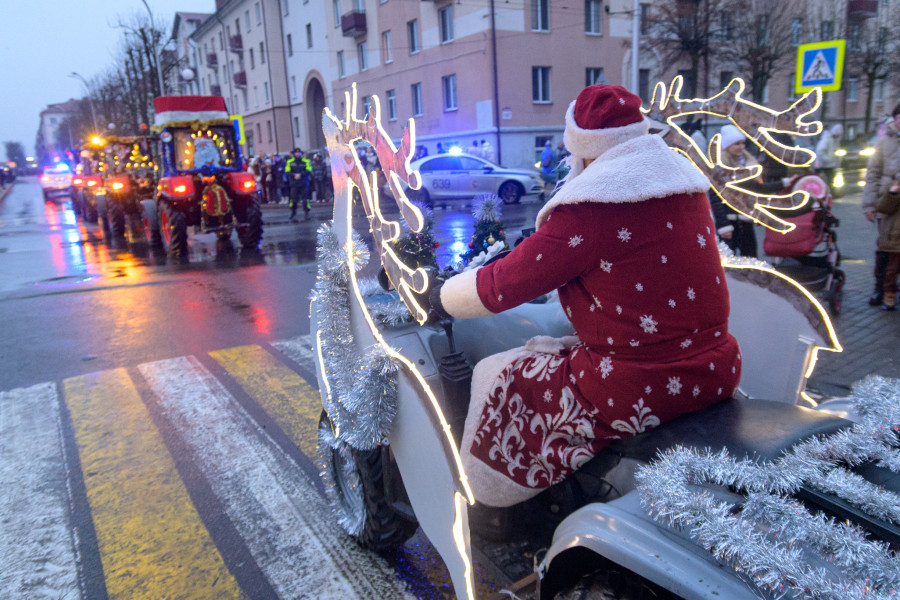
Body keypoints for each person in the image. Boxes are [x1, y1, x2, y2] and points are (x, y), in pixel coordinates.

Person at [429, 84, 741, 507]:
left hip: (638, 385)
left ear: (582, 148)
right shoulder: (685, 187)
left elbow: (500, 287)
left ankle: (492, 500)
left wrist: (441, 296)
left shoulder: (590, 207)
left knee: (497, 373)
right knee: (558, 355)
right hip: (717, 367)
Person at [709, 125, 785, 258]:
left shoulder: (749, 164)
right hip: (729, 221)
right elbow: (715, 198)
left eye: (742, 143)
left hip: (746, 221)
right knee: (727, 263)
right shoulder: (720, 168)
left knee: (751, 261)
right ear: (727, 146)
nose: (741, 147)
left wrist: (784, 183)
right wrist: (723, 225)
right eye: (736, 144)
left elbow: (759, 188)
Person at [862, 103, 900, 309]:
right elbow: (873, 173)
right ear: (895, 118)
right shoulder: (884, 142)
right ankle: (880, 288)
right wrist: (869, 205)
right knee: (885, 248)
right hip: (888, 202)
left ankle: (892, 289)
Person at [285, 148, 311, 221]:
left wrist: (301, 175)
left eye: (299, 152)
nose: (297, 154)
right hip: (294, 183)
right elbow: (287, 172)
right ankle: (293, 212)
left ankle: (307, 213)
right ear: (294, 154)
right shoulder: (289, 162)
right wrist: (294, 175)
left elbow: (309, 170)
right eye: (296, 153)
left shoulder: (306, 161)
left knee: (305, 199)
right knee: (293, 199)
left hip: (303, 183)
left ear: (301, 153)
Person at [814, 124, 843, 189]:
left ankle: (830, 194)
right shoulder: (827, 140)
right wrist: (829, 160)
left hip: (828, 165)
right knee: (827, 181)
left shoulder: (832, 140)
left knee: (829, 181)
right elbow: (820, 151)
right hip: (825, 165)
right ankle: (829, 194)